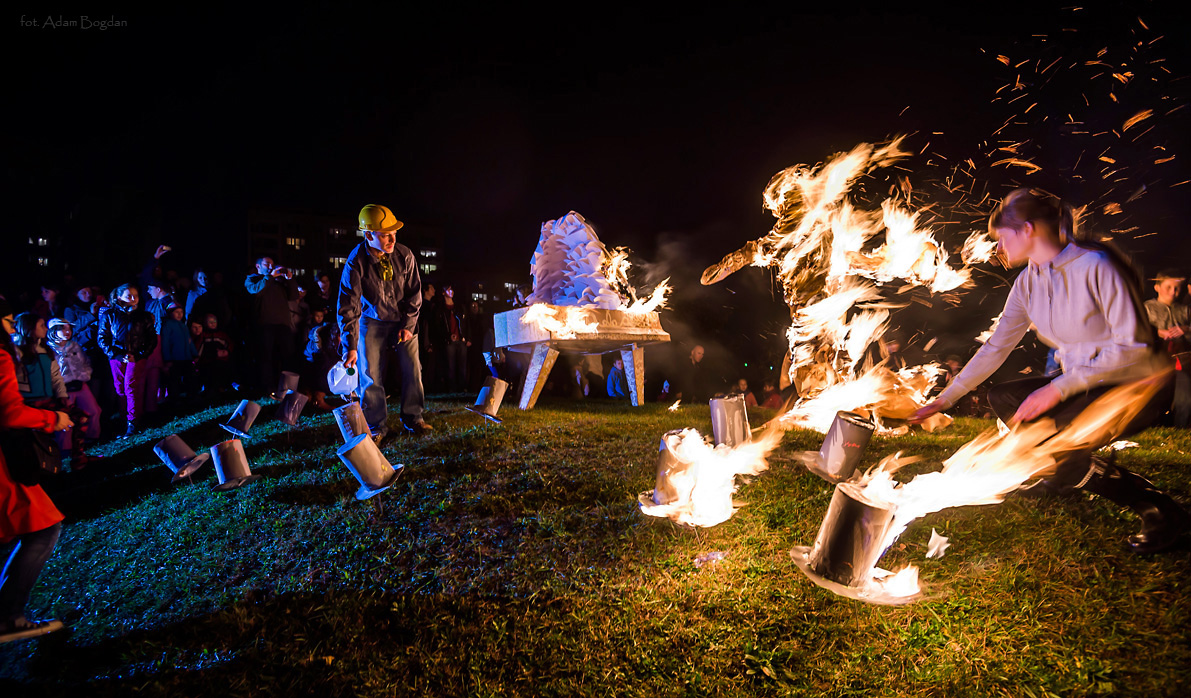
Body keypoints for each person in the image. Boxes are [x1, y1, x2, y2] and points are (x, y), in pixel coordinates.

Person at [912, 188, 1188, 553]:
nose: (998, 248)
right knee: (1004, 397)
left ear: (1027, 230)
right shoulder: (1028, 282)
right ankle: (1061, 472)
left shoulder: (1095, 267)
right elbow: (996, 347)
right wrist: (946, 398)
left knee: (1052, 445)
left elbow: (1132, 349)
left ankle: (1160, 509)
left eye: (1002, 237)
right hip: (1081, 386)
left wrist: (1056, 390)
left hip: (1137, 384)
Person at [0, 301, 71, 644]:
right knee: (44, 529)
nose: (13, 328)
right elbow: (11, 412)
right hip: (5, 463)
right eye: (9, 321)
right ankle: (8, 617)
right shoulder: (1, 356)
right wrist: (52, 419)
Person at [338, 204, 432, 441]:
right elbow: (348, 304)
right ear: (368, 235)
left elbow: (415, 294)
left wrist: (408, 326)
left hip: (402, 320)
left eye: (394, 233)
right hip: (372, 321)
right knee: (370, 374)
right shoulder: (355, 261)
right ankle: (376, 425)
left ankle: (414, 418)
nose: (392, 239)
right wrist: (351, 344)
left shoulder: (405, 255)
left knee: (412, 369)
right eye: (385, 234)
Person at [11, 314, 96, 467]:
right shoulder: (17, 350)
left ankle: (78, 458)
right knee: (37, 435)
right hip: (29, 402)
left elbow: (56, 375)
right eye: (42, 325)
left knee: (80, 417)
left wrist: (62, 395)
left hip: (48, 398)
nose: (46, 329)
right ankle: (45, 465)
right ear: (29, 329)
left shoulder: (45, 349)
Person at [97, 283, 158, 438]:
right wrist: (116, 354)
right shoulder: (109, 315)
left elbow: (151, 339)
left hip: (136, 357)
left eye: (135, 295)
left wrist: (138, 355)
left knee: (130, 387)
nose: (133, 298)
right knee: (120, 388)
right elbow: (103, 338)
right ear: (119, 297)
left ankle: (133, 422)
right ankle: (124, 420)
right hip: (117, 358)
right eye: (129, 295)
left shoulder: (144, 316)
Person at [244, 256, 298, 396]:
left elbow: (293, 296)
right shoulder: (252, 279)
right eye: (266, 263)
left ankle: (288, 387)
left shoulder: (278, 282)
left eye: (272, 264)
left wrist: (290, 279)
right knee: (266, 357)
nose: (270, 266)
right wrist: (270, 277)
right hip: (265, 325)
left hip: (283, 324)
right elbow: (257, 292)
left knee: (288, 356)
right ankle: (268, 387)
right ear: (258, 266)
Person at [1144, 269, 1191, 427]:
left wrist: (1186, 329)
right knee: (1153, 399)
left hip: (1179, 363)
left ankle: (1180, 430)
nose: (1173, 291)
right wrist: (1157, 332)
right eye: (1168, 286)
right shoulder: (1147, 309)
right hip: (1154, 362)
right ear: (1157, 287)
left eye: (1177, 287)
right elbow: (1135, 331)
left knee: (1184, 398)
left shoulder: (1184, 311)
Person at [46, 319, 103, 445]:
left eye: (69, 329)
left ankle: (92, 437)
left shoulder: (74, 346)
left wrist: (85, 374)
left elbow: (85, 362)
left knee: (94, 410)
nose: (68, 332)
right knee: (65, 416)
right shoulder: (49, 350)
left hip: (79, 384)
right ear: (53, 331)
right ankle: (65, 446)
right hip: (63, 388)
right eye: (63, 329)